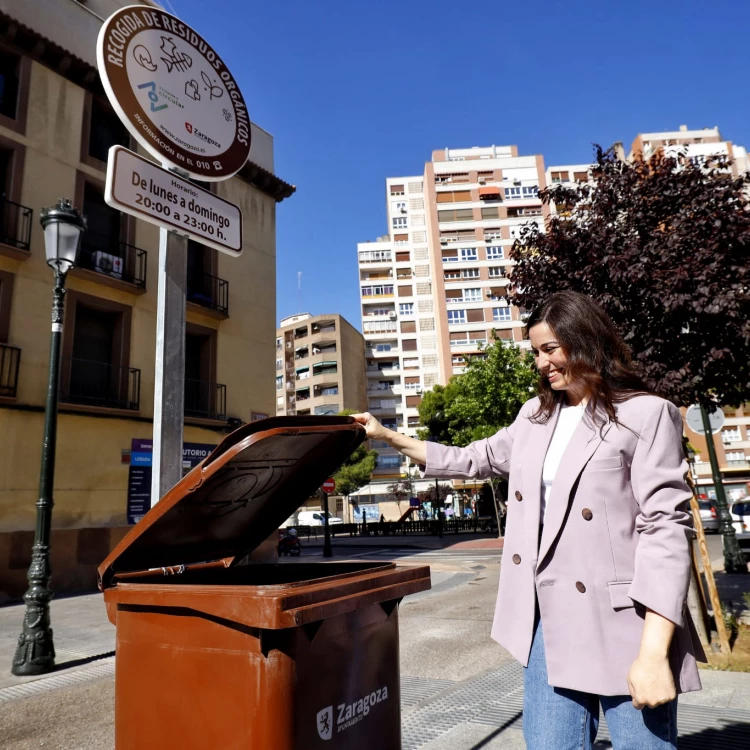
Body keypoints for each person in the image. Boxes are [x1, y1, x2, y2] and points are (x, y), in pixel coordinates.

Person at [351, 291, 703, 750]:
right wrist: (387, 436)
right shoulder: (534, 418)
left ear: (586, 341)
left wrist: (655, 653)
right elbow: (471, 459)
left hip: (628, 624)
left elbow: (666, 530)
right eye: (536, 352)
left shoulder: (645, 414)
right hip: (546, 622)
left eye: (550, 349)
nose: (541, 363)